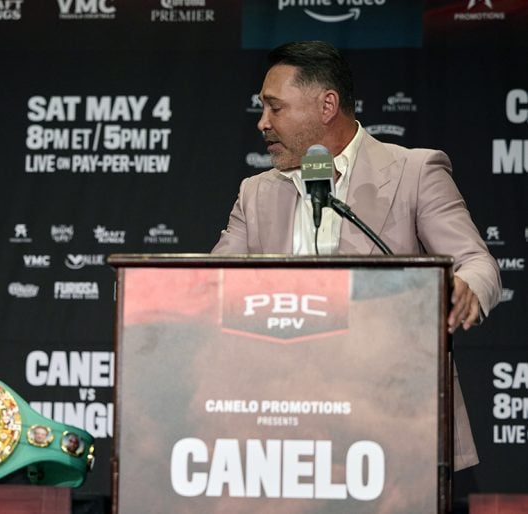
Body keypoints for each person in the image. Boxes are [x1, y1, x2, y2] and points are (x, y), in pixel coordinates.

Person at [212, 41, 501, 470]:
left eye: (275, 108)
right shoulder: (256, 193)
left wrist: (466, 288)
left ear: (327, 104)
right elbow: (208, 282)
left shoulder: (413, 173)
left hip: (390, 414)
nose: (262, 123)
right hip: (281, 421)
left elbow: (477, 263)